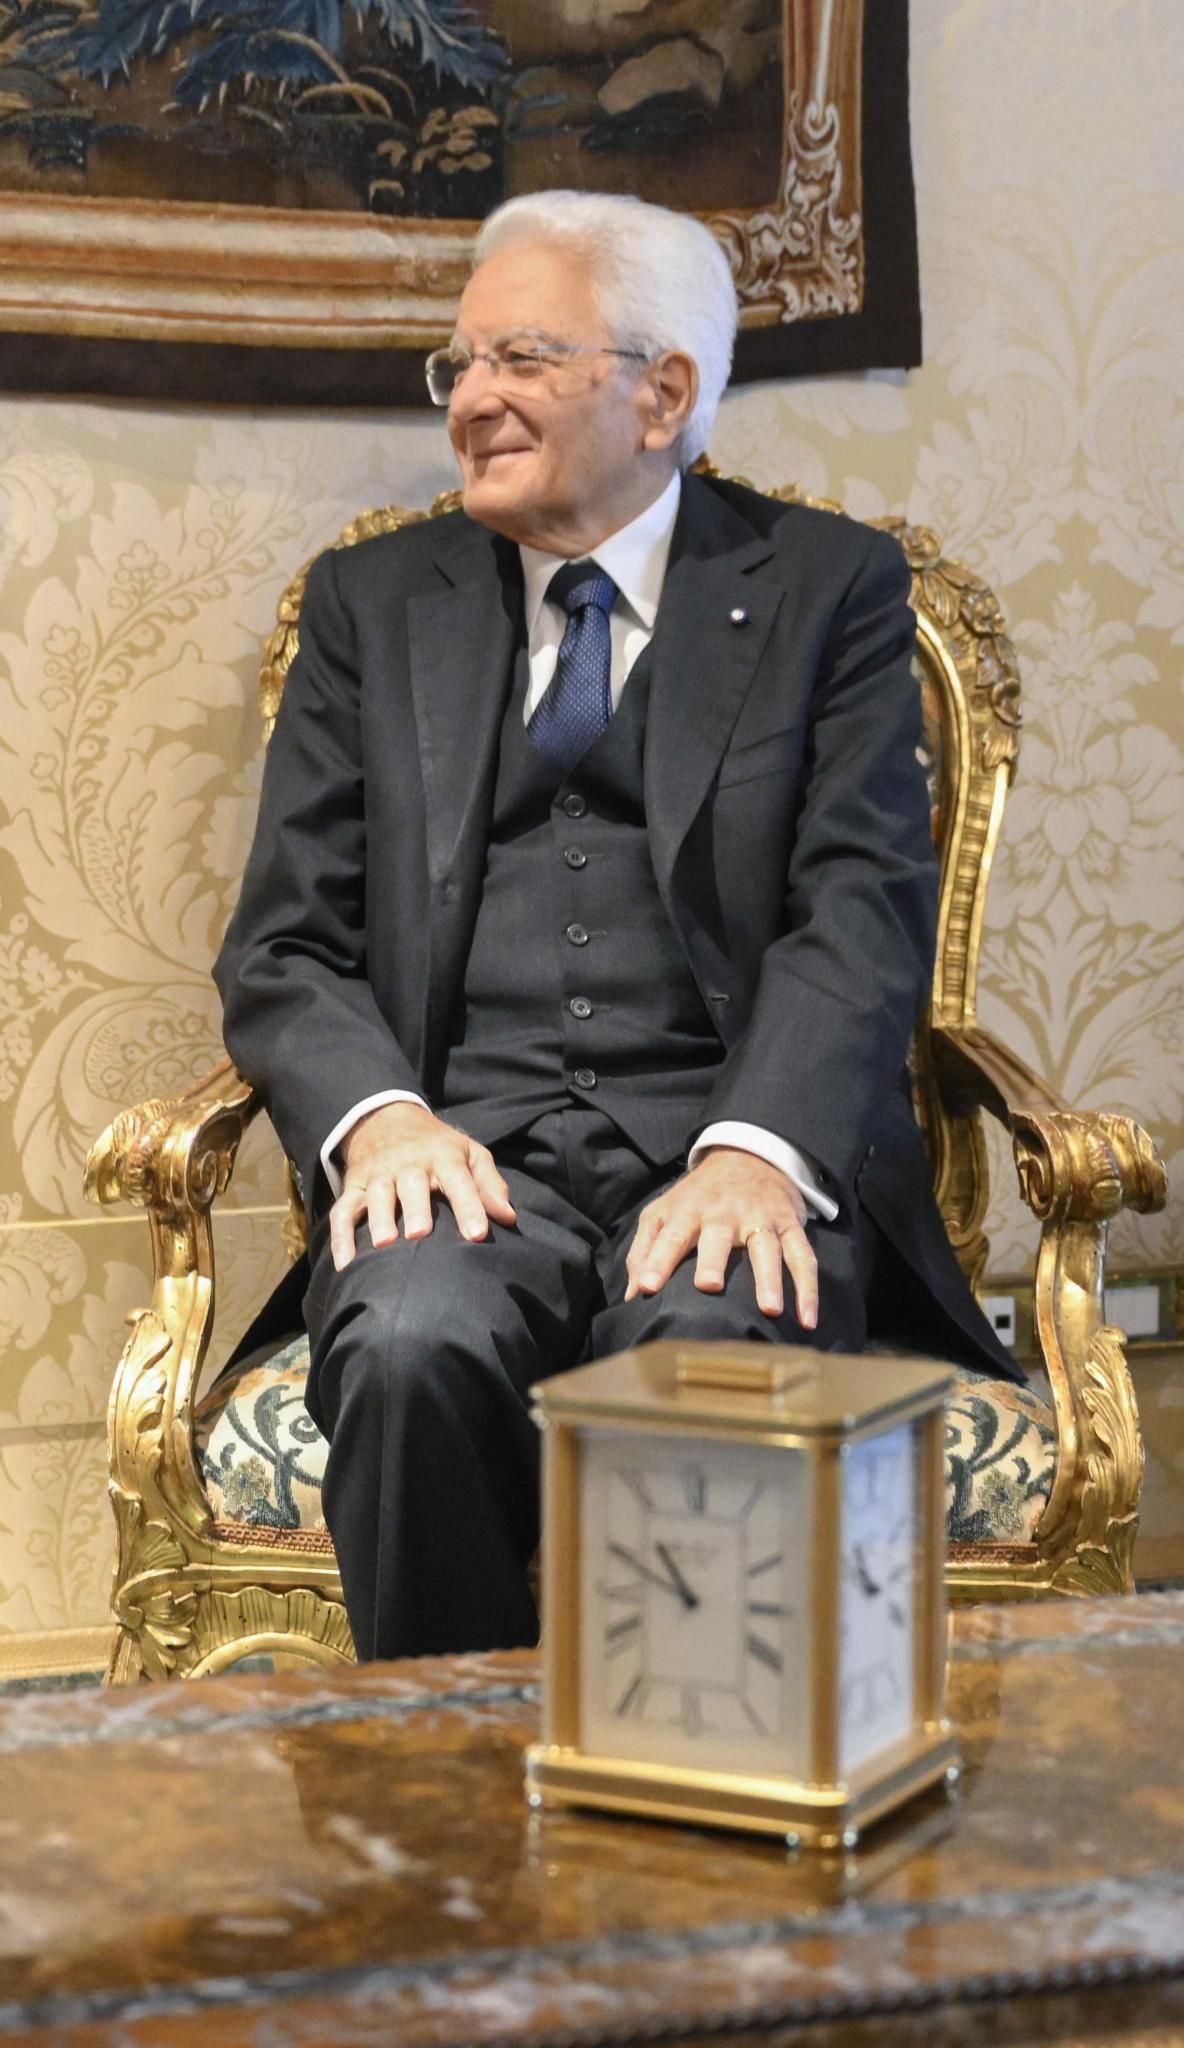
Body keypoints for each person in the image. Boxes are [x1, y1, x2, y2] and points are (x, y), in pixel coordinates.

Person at [213, 190, 1011, 1665]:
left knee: (705, 1351)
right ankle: (443, 1829)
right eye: (457, 365)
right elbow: (283, 944)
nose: (474, 401)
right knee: (407, 1339)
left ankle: (679, 1841)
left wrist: (754, 1151)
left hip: (721, 1155)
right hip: (469, 1166)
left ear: (666, 393)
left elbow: (862, 913)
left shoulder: (826, 591)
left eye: (521, 356)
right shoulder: (371, 606)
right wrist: (381, 1124)